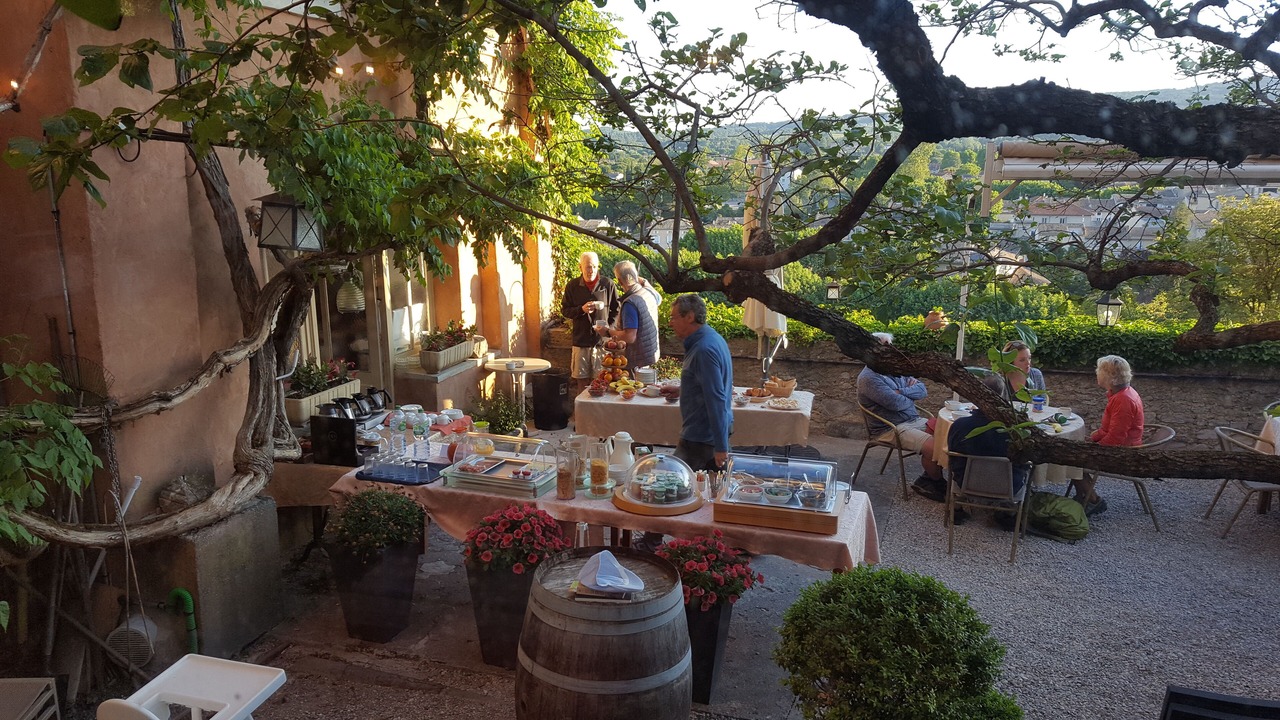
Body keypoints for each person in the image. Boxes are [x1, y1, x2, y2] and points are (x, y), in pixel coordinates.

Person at [856, 332, 945, 500]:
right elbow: (896, 404)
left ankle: (927, 478)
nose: (889, 351)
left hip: (914, 420)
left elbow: (922, 390)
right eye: (884, 347)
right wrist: (908, 396)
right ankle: (937, 483)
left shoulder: (895, 370)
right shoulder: (868, 378)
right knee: (935, 448)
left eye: (890, 346)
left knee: (948, 436)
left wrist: (901, 392)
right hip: (892, 428)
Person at [947, 373, 1030, 529]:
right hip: (1009, 487)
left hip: (966, 484)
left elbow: (952, 458)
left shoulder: (959, 426)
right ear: (1004, 397)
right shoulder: (1017, 430)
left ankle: (957, 508)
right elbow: (1025, 461)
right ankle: (1009, 513)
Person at [670, 294, 734, 471]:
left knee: (674, 483)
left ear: (689, 317)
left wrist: (721, 447)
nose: (670, 323)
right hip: (705, 436)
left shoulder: (703, 350)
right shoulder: (712, 338)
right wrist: (682, 389)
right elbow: (707, 385)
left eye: (674, 317)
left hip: (702, 440)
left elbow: (716, 399)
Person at [1077, 354, 1145, 516]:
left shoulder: (1123, 400)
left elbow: (1115, 438)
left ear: (1109, 376)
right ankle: (1084, 496)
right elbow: (1110, 430)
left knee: (1071, 461)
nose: (1096, 373)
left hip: (1123, 453)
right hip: (1124, 446)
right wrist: (1092, 438)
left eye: (1099, 370)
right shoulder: (1122, 394)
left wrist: (1094, 448)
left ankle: (1093, 501)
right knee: (1074, 454)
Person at [560, 252, 618, 392]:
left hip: (602, 342)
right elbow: (565, 310)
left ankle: (601, 411)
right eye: (587, 267)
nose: (591, 270)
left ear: (598, 267)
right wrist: (581, 309)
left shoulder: (607, 284)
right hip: (581, 341)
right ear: (580, 267)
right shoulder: (573, 286)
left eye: (594, 266)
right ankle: (584, 410)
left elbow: (617, 310)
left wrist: (609, 329)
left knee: (603, 378)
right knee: (582, 380)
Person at [598, 261, 660, 369]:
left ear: (619, 281)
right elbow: (659, 299)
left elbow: (630, 336)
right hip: (650, 356)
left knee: (633, 386)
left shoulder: (630, 303)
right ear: (636, 276)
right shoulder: (649, 292)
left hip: (637, 361)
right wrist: (643, 281)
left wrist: (607, 332)